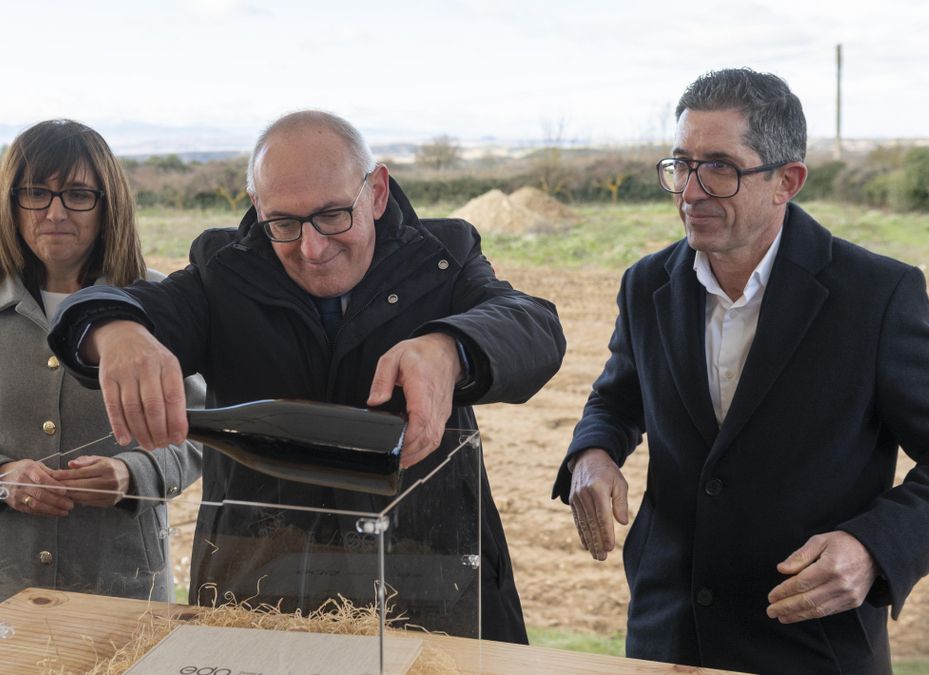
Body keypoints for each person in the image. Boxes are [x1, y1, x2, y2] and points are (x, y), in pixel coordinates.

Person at [46, 110, 566, 643]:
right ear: (257, 208)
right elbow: (94, 307)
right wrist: (114, 330)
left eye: (334, 215)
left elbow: (536, 327)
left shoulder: (443, 258)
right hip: (263, 596)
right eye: (284, 224)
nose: (312, 248)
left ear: (378, 192)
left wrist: (451, 347)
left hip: (432, 590)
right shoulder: (223, 272)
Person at [552, 69, 929, 674]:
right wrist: (593, 453)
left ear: (786, 181)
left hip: (812, 644)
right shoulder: (646, 284)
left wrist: (875, 547)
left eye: (719, 167)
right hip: (667, 635)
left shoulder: (874, 296)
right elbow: (616, 401)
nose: (689, 192)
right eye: (681, 165)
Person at [0, 119, 204, 627]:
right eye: (36, 192)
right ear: (9, 203)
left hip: (123, 591)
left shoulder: (157, 304)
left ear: (108, 205)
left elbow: (198, 434)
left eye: (78, 194)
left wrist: (131, 476)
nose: (55, 212)